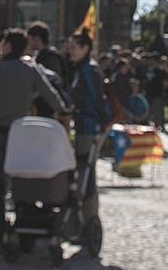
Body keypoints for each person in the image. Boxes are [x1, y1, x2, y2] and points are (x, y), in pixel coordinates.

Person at [0, 28, 69, 243]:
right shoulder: (31, 70)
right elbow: (51, 95)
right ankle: (22, 224)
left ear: (7, 46)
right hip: (20, 135)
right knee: (20, 181)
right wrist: (63, 110)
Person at [65, 29, 110, 224]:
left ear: (85, 48)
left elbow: (96, 98)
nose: (70, 51)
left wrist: (101, 122)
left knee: (86, 173)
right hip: (84, 124)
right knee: (83, 172)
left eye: (74, 47)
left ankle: (89, 218)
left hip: (89, 126)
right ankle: (83, 217)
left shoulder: (89, 70)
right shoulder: (80, 69)